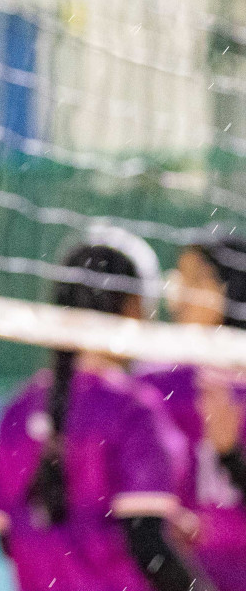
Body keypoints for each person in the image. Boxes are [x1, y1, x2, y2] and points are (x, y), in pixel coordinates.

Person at [0, 227, 213, 591]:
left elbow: (5, 539)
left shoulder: (19, 408)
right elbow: (148, 547)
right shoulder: (134, 410)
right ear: (134, 308)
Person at [136, 237, 246, 591]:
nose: (178, 292)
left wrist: (230, 455)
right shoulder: (150, 386)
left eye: (196, 280)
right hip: (174, 577)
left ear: (232, 290)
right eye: (178, 278)